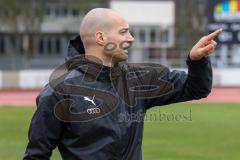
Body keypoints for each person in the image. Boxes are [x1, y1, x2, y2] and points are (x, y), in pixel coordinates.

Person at [23, 8, 222, 160]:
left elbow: (196, 88)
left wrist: (196, 61)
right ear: (101, 38)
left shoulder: (139, 79)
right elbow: (36, 154)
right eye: (124, 32)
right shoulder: (60, 91)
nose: (131, 39)